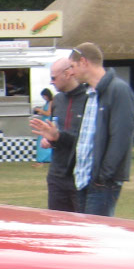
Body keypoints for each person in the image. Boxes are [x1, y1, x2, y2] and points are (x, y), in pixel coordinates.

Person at [69, 42, 134, 217]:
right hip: (83, 180)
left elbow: (121, 137)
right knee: (83, 236)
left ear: (84, 62)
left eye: (73, 66)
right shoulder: (89, 94)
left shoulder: (118, 90)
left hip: (101, 183)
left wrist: (103, 177)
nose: (71, 72)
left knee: (95, 238)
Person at [29, 58, 89, 212]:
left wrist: (57, 137)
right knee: (57, 224)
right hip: (56, 175)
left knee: (82, 226)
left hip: (80, 175)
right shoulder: (57, 100)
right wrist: (49, 139)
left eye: (54, 77)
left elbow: (86, 140)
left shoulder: (89, 100)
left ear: (68, 73)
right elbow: (56, 131)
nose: (51, 82)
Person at [32, 88, 54, 165]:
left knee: (45, 139)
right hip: (44, 121)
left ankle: (47, 158)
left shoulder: (51, 102)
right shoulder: (47, 103)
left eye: (44, 96)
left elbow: (48, 113)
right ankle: (42, 158)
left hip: (47, 122)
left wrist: (40, 110)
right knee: (41, 139)